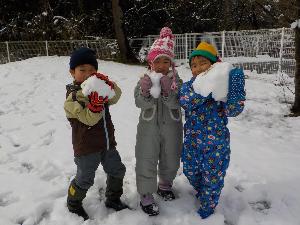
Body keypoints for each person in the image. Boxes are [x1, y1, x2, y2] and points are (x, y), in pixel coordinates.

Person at [179, 42, 246, 218]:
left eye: (203, 63)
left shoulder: (222, 90)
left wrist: (236, 94)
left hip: (216, 146)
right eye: (194, 65)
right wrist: (206, 90)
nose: (198, 68)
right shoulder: (189, 86)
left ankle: (208, 204)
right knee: (190, 171)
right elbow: (185, 101)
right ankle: (201, 190)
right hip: (192, 143)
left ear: (214, 65)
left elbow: (233, 111)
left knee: (213, 178)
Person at [64, 47, 128, 220]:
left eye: (92, 70)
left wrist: (108, 84)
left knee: (117, 170)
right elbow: (88, 119)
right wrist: (95, 106)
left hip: (107, 143)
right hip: (86, 147)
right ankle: (73, 202)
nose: (87, 74)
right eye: (82, 70)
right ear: (72, 72)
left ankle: (113, 198)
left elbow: (115, 96)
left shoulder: (97, 88)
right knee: (84, 179)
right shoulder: (74, 97)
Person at [134, 27, 183, 216]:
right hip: (148, 129)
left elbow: (177, 102)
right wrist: (145, 91)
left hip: (172, 128)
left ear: (171, 64)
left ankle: (165, 185)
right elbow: (139, 102)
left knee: (171, 156)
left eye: (166, 61)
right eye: (158, 61)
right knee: (146, 157)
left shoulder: (176, 80)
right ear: (151, 63)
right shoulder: (145, 80)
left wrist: (168, 91)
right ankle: (146, 193)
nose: (162, 65)